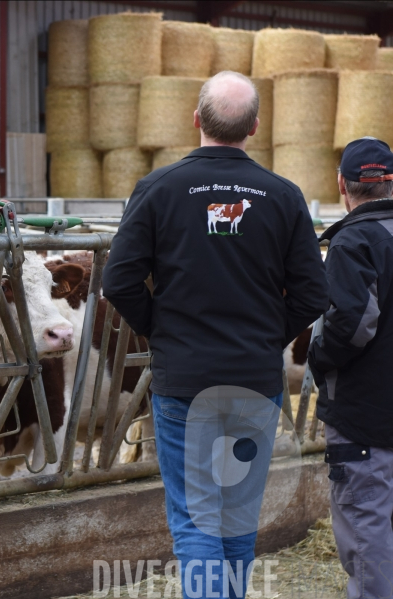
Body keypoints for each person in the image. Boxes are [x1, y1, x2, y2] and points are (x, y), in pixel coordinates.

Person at [103, 71, 328, 599]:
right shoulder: (283, 195)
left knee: (198, 520)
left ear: (196, 119)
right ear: (253, 128)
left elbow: (118, 280)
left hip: (185, 382)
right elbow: (314, 295)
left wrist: (160, 332)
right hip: (253, 381)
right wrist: (268, 337)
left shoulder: (158, 188)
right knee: (236, 520)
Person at [308, 137, 393, 599]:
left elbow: (353, 324)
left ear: (342, 184)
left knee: (369, 534)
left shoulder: (354, 239)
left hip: (365, 417)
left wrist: (318, 358)